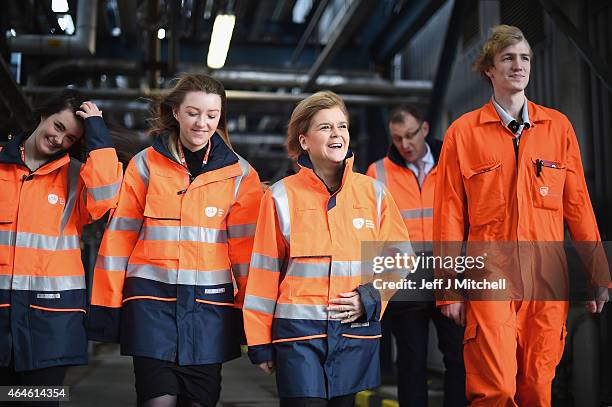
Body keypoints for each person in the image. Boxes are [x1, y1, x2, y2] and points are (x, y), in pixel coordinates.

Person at [433, 25, 611, 406]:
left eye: (525, 57)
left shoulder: (557, 127)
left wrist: (597, 272)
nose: (519, 65)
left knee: (537, 386)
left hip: (547, 275)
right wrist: (448, 285)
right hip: (490, 270)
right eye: (508, 58)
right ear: (489, 70)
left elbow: (578, 204)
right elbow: (448, 212)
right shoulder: (463, 133)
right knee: (496, 387)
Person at [88, 74, 263, 407]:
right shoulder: (145, 166)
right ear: (176, 113)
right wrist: (108, 307)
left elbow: (248, 255)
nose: (203, 123)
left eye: (212, 115)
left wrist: (250, 316)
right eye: (194, 113)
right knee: (157, 401)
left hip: (209, 311)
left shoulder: (240, 174)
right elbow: (118, 241)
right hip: (151, 306)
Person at [243, 91, 411, 407]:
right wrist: (259, 341)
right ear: (304, 141)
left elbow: (400, 257)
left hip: (352, 334)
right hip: (298, 337)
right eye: (325, 128)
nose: (337, 134)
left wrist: (372, 297)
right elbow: (264, 275)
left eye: (342, 126)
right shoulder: (280, 197)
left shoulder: (373, 193)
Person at [0, 89, 121, 401]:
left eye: (70, 138)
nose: (59, 140)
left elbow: (108, 194)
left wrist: (96, 130)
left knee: (38, 399)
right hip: (2, 313)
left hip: (51, 321)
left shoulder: (77, 178)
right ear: (43, 116)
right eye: (57, 126)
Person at [366, 104, 467, 407]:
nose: (405, 145)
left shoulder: (453, 163)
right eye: (397, 139)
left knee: (459, 359)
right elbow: (373, 234)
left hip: (450, 277)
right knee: (411, 365)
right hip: (406, 284)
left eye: (410, 135)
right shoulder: (378, 172)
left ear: (424, 128)